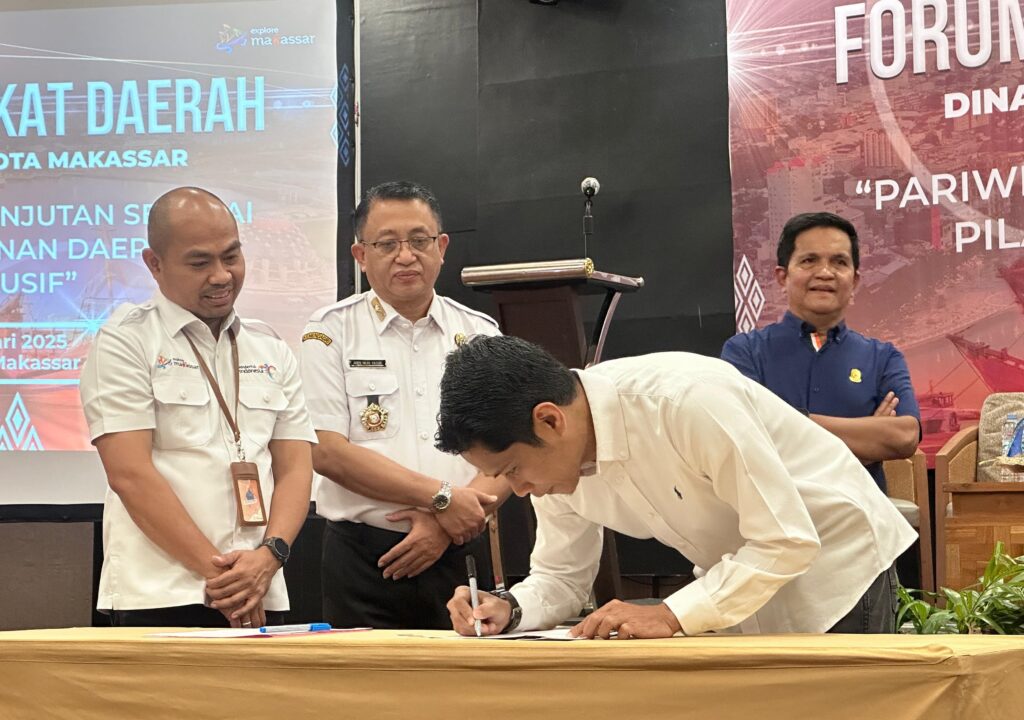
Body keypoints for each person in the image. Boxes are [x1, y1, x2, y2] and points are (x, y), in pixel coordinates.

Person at [437, 335, 917, 638]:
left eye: (513, 469)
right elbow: (561, 577)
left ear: (549, 420)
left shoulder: (685, 401)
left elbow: (787, 539)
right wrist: (509, 608)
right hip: (740, 578)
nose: (519, 490)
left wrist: (669, 614)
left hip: (836, 567)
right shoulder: (555, 468)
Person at [80, 187, 316, 628]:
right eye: (199, 263)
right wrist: (224, 579)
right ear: (154, 264)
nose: (222, 275)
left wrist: (270, 555)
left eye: (231, 256)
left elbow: (296, 468)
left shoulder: (269, 346)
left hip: (262, 585)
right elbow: (129, 474)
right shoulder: (126, 341)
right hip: (162, 594)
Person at [300, 180, 509, 629]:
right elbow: (327, 452)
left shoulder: (480, 334)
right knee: (365, 675)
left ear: (442, 247)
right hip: (364, 559)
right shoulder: (329, 332)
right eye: (387, 244)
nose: (406, 256)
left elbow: (511, 453)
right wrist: (442, 499)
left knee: (463, 674)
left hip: (459, 548)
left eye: (419, 240)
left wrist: (445, 524)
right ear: (360, 255)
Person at [721, 212, 920, 492]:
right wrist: (864, 442)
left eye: (839, 262)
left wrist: (787, 422)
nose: (825, 273)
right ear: (782, 276)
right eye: (809, 260)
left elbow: (904, 437)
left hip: (861, 514)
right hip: (774, 514)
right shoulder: (744, 352)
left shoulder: (883, 357)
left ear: (855, 281)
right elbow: (743, 437)